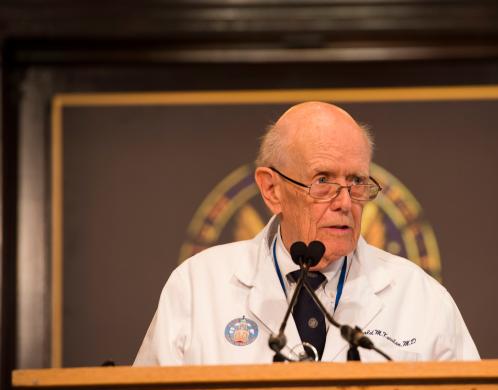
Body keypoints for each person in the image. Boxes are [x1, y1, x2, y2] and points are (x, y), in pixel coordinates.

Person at [134, 101, 479, 365]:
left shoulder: (420, 298)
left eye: (356, 181)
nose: (345, 202)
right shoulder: (196, 288)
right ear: (272, 190)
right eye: (323, 181)